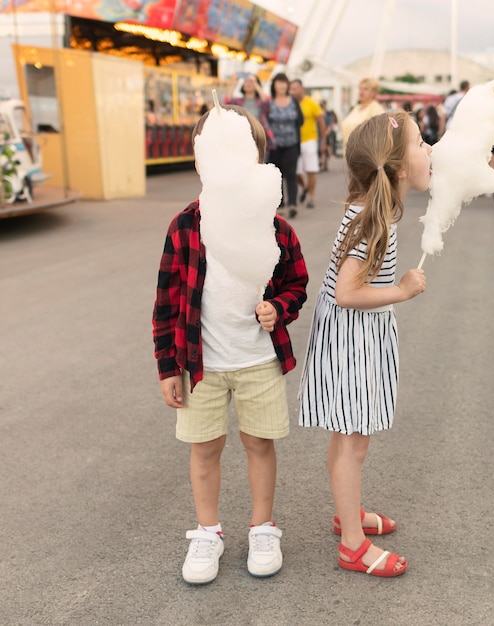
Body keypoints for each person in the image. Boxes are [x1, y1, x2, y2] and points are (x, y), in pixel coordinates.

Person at [152, 104, 309, 584]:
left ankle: (263, 526)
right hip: (200, 364)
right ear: (201, 160)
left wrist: (278, 309)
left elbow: (296, 284)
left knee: (259, 443)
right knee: (205, 448)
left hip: (259, 358)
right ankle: (207, 531)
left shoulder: (276, 228)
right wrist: (165, 368)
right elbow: (165, 300)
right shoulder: (185, 226)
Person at [298, 110, 430, 577]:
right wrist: (403, 290)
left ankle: (347, 513)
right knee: (353, 441)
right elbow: (348, 292)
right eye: (421, 143)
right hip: (354, 339)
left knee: (351, 436)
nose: (429, 150)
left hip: (357, 336)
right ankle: (352, 545)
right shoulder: (373, 218)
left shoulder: (376, 211)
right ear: (396, 167)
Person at [264, 73, 303, 218]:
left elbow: (300, 120)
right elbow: (264, 118)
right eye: (278, 83)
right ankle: (280, 204)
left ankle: (293, 203)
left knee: (291, 173)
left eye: (284, 82)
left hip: (291, 143)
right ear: (274, 85)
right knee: (277, 175)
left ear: (287, 85)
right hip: (274, 145)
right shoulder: (269, 102)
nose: (281, 86)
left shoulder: (293, 101)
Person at [289, 79, 326, 209]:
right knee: (296, 171)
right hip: (295, 142)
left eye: (295, 88)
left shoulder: (311, 103)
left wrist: (324, 141)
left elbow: (321, 122)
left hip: (310, 140)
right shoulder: (290, 103)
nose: (293, 91)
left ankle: (311, 196)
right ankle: (304, 187)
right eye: (291, 88)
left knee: (311, 170)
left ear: (302, 88)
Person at [340, 77, 385, 149]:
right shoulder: (356, 108)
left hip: (364, 154)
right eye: (360, 88)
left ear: (373, 92)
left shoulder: (376, 109)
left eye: (365, 89)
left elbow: (380, 135)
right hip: (349, 154)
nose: (361, 92)